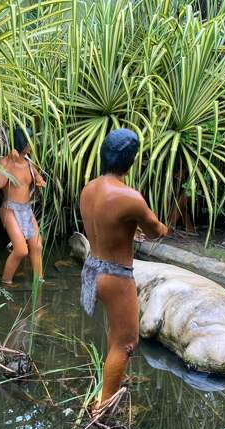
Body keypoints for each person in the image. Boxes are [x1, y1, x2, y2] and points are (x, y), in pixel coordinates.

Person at [79, 128, 168, 409]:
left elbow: (110, 228)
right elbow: (155, 231)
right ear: (130, 161)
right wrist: (164, 227)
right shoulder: (129, 197)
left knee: (115, 336)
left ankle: (111, 386)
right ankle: (102, 409)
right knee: (126, 343)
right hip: (116, 276)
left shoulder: (89, 189)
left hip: (92, 268)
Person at [0, 127, 46, 284]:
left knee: (37, 246)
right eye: (30, 141)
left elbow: (39, 178)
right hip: (10, 209)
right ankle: (6, 282)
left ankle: (39, 281)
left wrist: (40, 182)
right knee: (21, 250)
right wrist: (9, 163)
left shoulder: (29, 163)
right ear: (22, 142)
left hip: (26, 209)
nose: (32, 144)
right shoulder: (4, 162)